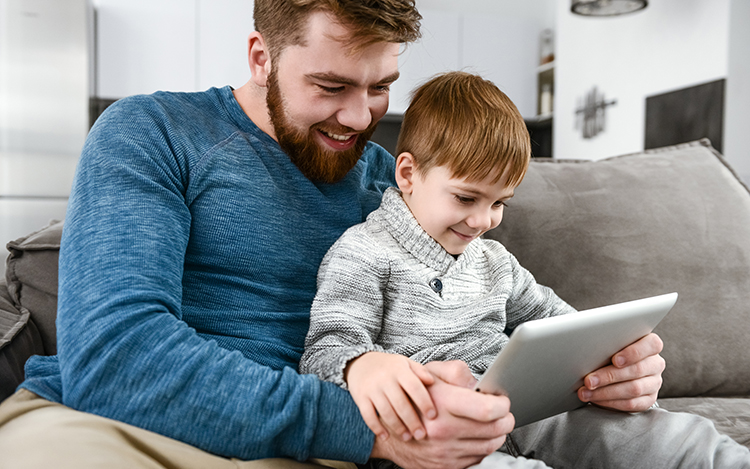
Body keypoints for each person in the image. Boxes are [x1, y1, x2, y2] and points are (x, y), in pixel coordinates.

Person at [0, 1, 512, 467]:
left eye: (380, 87)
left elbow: (467, 316)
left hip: (310, 451)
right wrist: (368, 429)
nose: (360, 118)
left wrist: (573, 373)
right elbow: (115, 355)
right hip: (115, 426)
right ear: (261, 57)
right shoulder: (153, 131)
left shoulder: (398, 184)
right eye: (331, 86)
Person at [300, 71, 750, 468]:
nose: (482, 221)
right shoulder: (362, 252)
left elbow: (564, 325)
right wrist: (365, 363)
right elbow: (325, 352)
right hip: (436, 429)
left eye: (499, 203)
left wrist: (615, 357)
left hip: (528, 409)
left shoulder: (496, 262)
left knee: (672, 439)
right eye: (465, 198)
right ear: (408, 174)